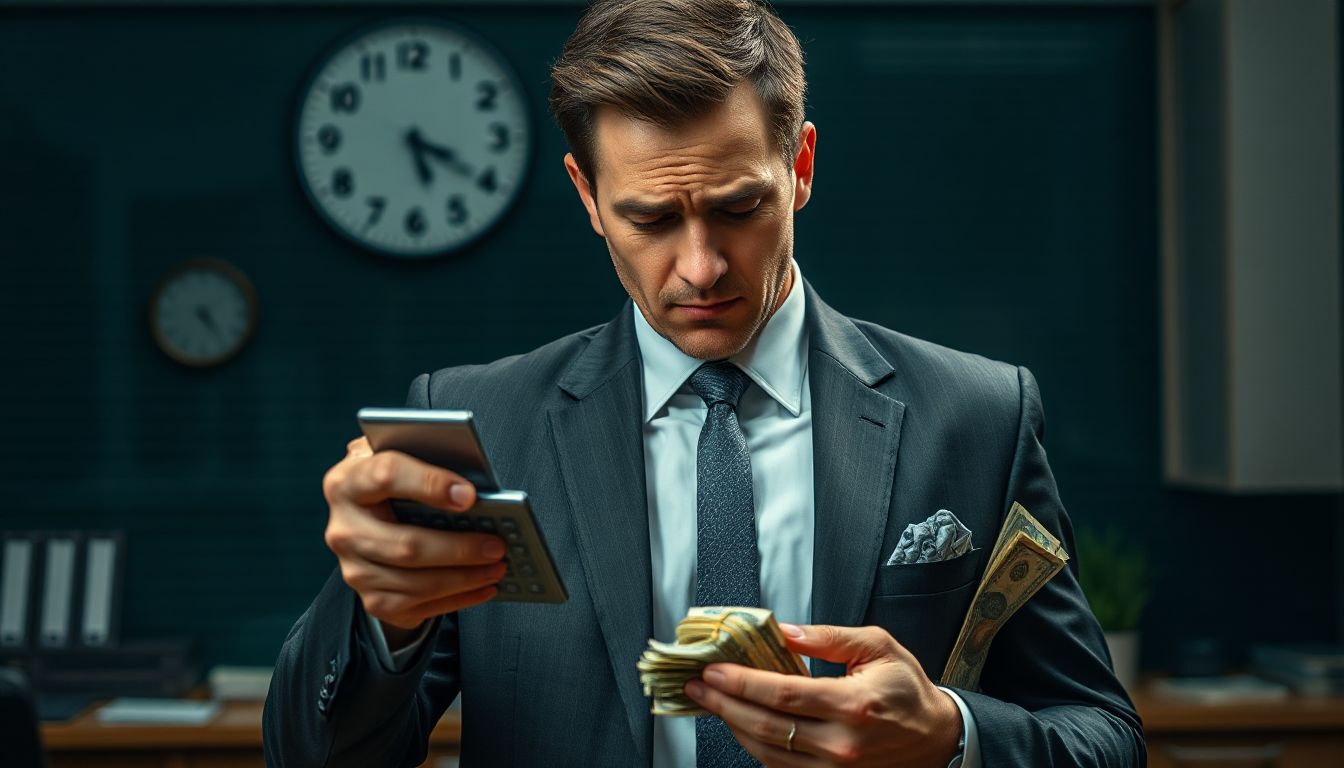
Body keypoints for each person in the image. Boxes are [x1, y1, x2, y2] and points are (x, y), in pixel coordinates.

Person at [262, 1, 1145, 766]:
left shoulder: (979, 417)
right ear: (587, 196)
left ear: (799, 167)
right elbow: (313, 756)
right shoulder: (480, 424)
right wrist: (381, 615)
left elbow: (1105, 735)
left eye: (738, 207)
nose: (701, 268)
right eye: (651, 218)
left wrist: (951, 736)